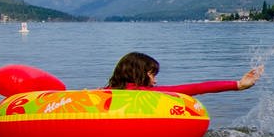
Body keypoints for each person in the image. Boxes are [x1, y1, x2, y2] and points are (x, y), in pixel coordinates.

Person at [106, 51, 262, 95]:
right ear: (140, 74)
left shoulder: (103, 93)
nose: (155, 81)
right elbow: (196, 88)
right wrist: (238, 85)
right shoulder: (150, 94)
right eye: (152, 75)